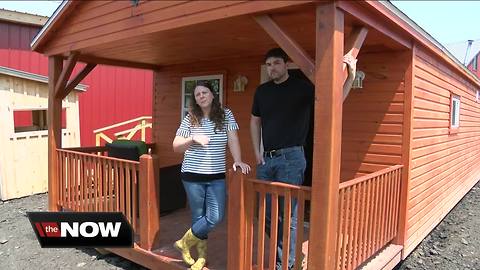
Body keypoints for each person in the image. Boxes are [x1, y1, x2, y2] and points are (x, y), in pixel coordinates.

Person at [250, 48, 356, 269]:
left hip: (292, 158)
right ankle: (289, 254)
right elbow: (254, 121)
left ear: (286, 64)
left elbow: (334, 102)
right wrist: (256, 150)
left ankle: (286, 264)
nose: (272, 68)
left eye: (276, 63)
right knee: (265, 214)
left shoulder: (303, 88)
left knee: (288, 215)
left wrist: (352, 76)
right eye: (268, 65)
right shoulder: (262, 91)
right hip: (266, 160)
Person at [172, 81, 250, 270]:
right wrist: (192, 139)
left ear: (213, 95)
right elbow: (175, 146)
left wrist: (238, 160)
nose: (201, 96)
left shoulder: (226, 115)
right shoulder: (190, 118)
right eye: (197, 94)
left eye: (204, 92)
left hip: (216, 176)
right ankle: (201, 258)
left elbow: (233, 138)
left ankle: (183, 242)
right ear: (195, 100)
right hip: (192, 175)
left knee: (215, 217)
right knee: (198, 217)